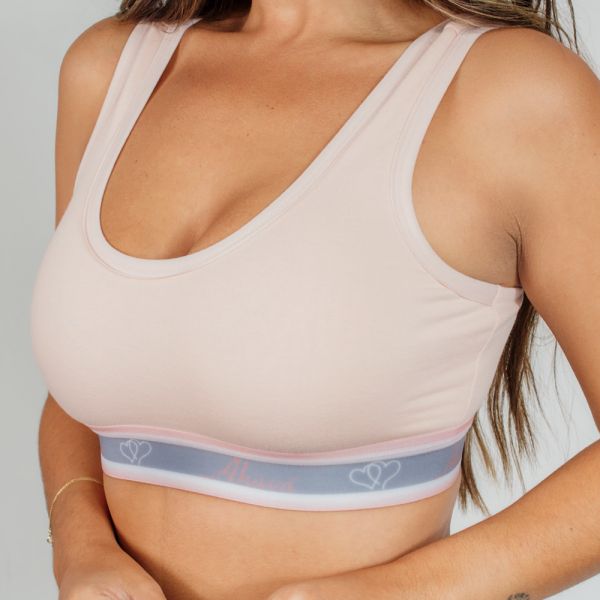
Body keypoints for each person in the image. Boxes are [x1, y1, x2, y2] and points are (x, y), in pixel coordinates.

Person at [30, 1, 600, 599]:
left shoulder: (511, 93)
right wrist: (80, 546)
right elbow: (83, 387)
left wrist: (396, 594)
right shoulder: (113, 68)